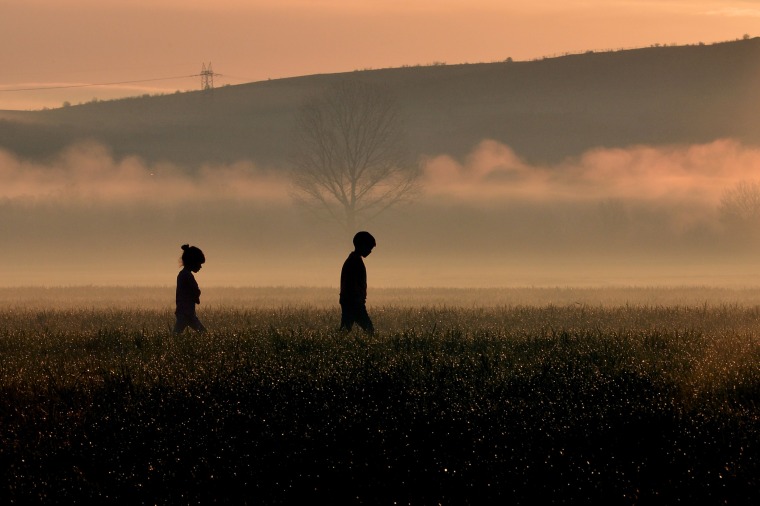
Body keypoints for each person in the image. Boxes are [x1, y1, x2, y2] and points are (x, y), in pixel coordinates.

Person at [339, 231, 376, 335]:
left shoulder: (353, 259)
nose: (370, 251)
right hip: (354, 302)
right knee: (369, 329)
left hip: (349, 301)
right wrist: (358, 300)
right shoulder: (355, 261)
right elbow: (353, 284)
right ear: (362, 246)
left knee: (345, 329)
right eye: (369, 248)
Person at [174, 244, 206, 334]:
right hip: (187, 312)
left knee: (177, 332)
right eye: (199, 263)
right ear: (192, 262)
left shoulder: (183, 274)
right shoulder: (187, 275)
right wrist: (197, 295)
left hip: (183, 311)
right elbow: (194, 290)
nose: (200, 266)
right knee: (204, 333)